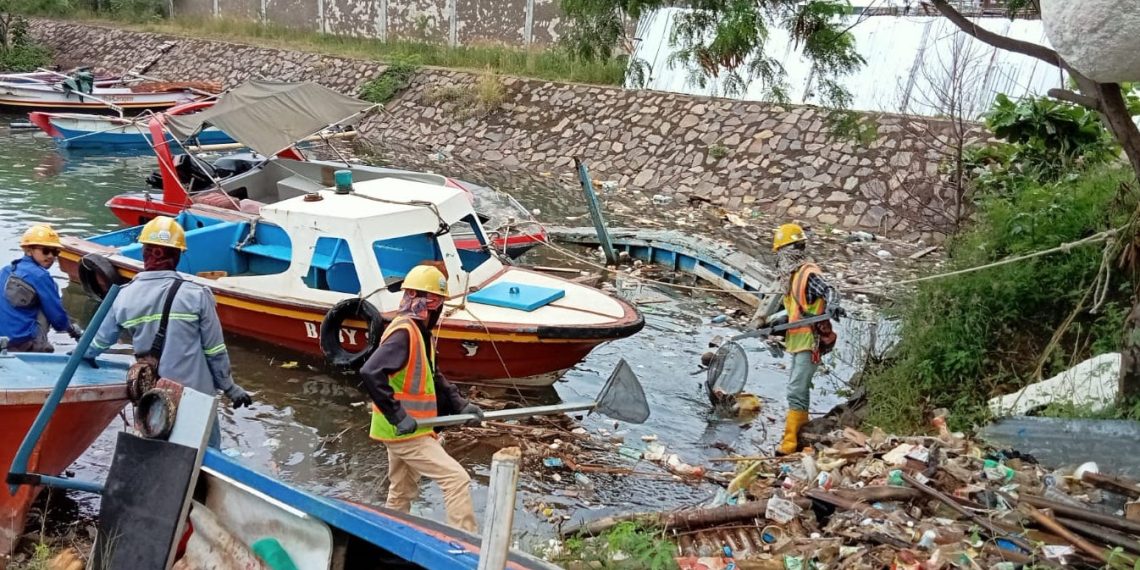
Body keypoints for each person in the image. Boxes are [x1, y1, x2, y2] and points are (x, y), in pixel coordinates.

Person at [83, 216, 252, 448]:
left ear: (144, 253)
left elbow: (95, 345)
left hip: (153, 395)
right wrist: (230, 388)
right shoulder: (196, 295)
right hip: (196, 397)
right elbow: (215, 350)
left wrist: (76, 361)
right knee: (206, 455)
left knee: (159, 451)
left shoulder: (122, 297)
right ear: (177, 255)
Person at [359, 264, 484, 533]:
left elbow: (432, 374)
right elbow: (370, 372)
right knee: (456, 479)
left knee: (403, 489)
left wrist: (461, 405)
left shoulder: (416, 331)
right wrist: (398, 415)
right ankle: (464, 544)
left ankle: (388, 535)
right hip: (405, 431)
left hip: (410, 427)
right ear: (431, 304)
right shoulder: (405, 333)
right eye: (439, 305)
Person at [753, 223, 844, 456]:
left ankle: (791, 442)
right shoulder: (793, 277)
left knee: (796, 389)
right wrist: (773, 324)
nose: (779, 260)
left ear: (788, 252)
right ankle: (800, 435)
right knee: (797, 389)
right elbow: (797, 311)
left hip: (810, 341)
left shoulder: (806, 273)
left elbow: (829, 290)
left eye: (780, 254)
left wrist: (833, 305)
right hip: (797, 340)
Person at [1, 224, 83, 352]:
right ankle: (39, 347)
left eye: (55, 252)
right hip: (21, 342)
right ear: (28, 250)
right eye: (45, 250)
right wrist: (73, 330)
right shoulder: (40, 276)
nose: (51, 256)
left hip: (4, 340)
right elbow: (58, 319)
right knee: (48, 305)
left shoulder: (6, 270)